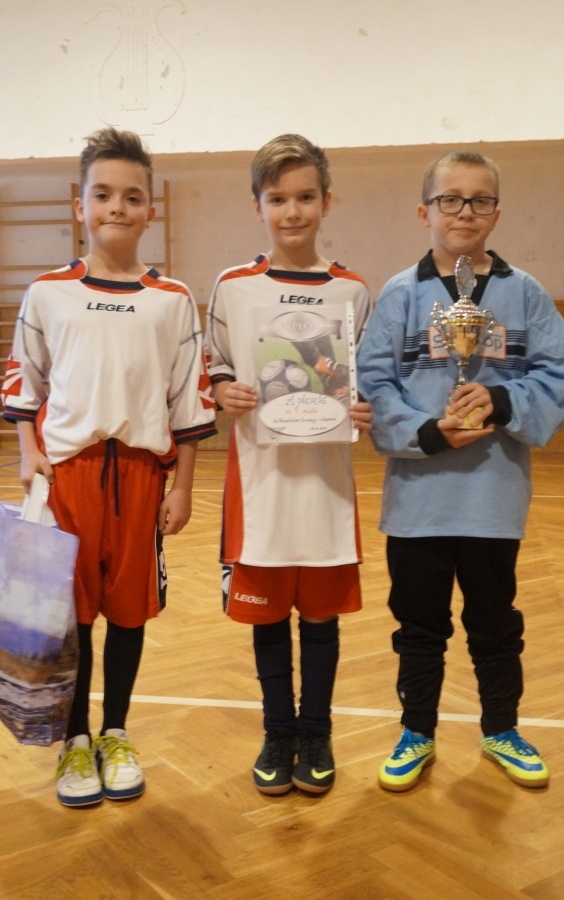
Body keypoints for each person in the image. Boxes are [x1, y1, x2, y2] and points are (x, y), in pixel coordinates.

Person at [1, 127, 217, 807]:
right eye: (102, 194)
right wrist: (29, 452)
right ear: (80, 205)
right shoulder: (47, 293)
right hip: (68, 479)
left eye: (131, 196)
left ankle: (116, 732)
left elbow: (189, 400)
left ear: (150, 210)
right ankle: (75, 739)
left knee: (128, 613)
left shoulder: (171, 299)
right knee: (73, 618)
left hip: (142, 479)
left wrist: (183, 488)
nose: (116, 207)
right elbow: (24, 381)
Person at [357, 148, 564, 793]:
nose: (465, 212)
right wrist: (429, 432)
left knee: (495, 623)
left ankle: (501, 728)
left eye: (480, 200)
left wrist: (501, 399)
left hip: (492, 497)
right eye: (450, 199)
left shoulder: (524, 292)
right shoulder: (400, 294)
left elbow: (563, 375)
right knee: (418, 626)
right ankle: (416, 732)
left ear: (496, 213)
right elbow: (375, 383)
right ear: (424, 211)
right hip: (418, 500)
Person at [206, 133, 372, 796]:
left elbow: (365, 379)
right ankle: (278, 732)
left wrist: (364, 407)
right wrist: (223, 390)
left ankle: (317, 732)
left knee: (322, 620)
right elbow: (213, 367)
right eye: (278, 199)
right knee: (269, 619)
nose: (292, 211)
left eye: (305, 197)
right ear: (258, 206)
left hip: (326, 486)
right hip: (261, 486)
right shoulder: (232, 286)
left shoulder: (352, 290)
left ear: (327, 201)